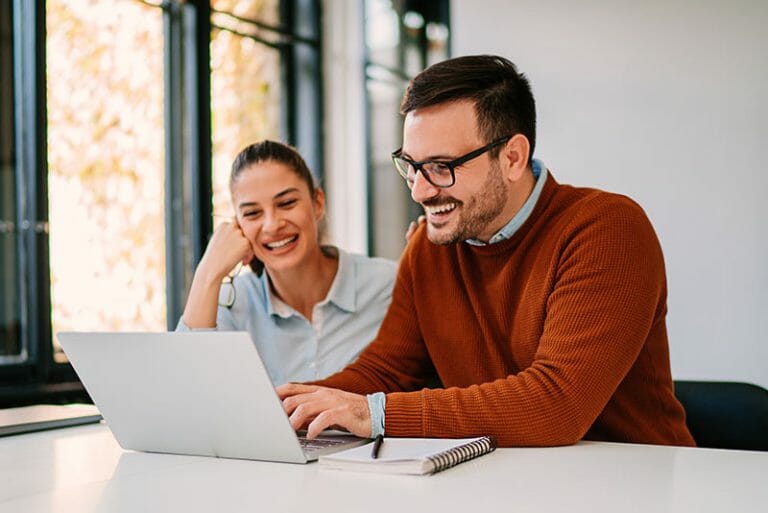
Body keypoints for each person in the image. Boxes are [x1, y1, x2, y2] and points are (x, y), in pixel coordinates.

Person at [277, 55, 696, 448]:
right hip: (504, 483)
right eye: (411, 166)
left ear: (512, 157)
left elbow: (557, 404)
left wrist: (374, 413)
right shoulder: (430, 246)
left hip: (638, 486)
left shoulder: (606, 228)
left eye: (442, 167)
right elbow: (388, 371)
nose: (421, 191)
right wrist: (291, 408)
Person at [177, 140, 397, 386]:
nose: (272, 225)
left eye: (286, 203)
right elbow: (185, 391)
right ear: (238, 224)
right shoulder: (232, 303)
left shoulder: (388, 285)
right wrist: (208, 272)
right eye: (252, 213)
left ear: (317, 203)